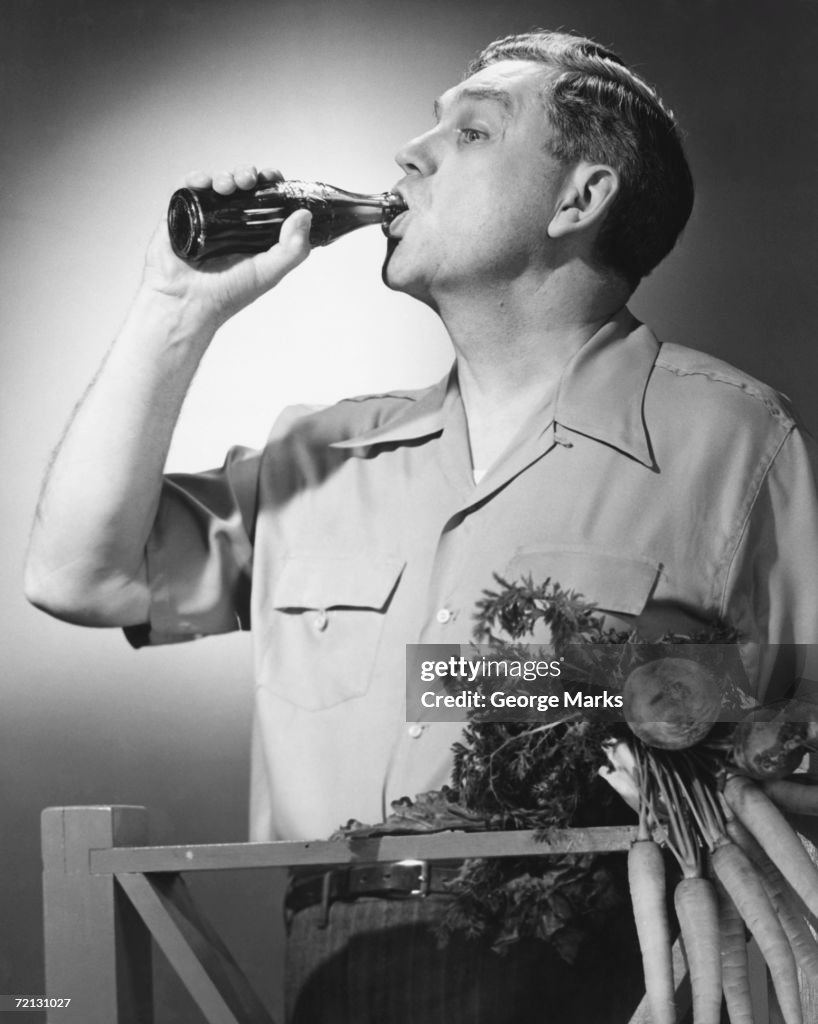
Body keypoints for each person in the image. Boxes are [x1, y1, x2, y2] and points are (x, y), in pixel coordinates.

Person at [25, 28, 818, 1023]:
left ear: (579, 200)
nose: (409, 154)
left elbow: (794, 750)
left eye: (473, 132)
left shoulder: (731, 437)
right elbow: (77, 577)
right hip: (330, 964)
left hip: (606, 966)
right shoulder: (316, 456)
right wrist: (173, 308)